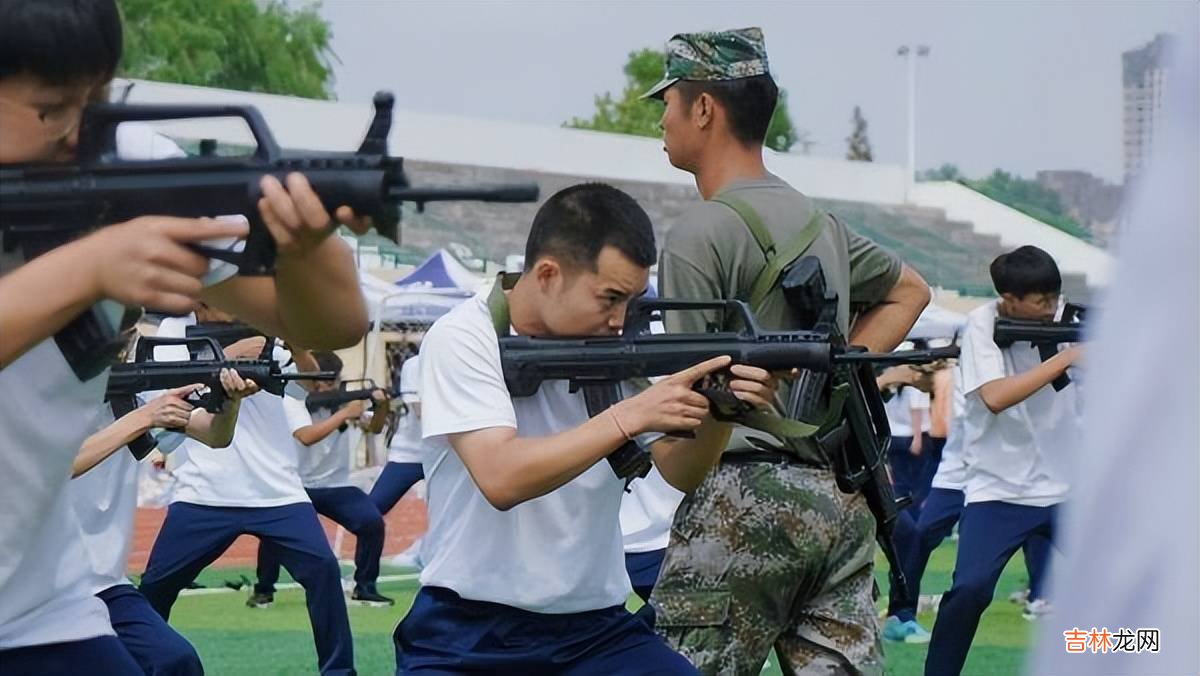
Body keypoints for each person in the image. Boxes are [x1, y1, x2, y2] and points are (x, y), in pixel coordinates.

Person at [0, 1, 366, 669]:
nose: (81, 130)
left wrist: (309, 246)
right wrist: (85, 268)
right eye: (51, 108)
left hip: (40, 606)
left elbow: (331, 325)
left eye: (99, 96)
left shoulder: (124, 158)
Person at [393, 183, 778, 674]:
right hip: (468, 632)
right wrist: (627, 416)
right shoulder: (464, 336)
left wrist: (722, 411)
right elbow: (501, 477)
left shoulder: (622, 345)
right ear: (549, 274)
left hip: (595, 630)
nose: (620, 321)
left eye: (632, 301)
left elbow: (679, 472)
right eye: (610, 298)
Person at [642, 27, 930, 674]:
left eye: (668, 101)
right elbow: (910, 290)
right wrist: (834, 381)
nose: (660, 118)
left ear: (705, 109)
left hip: (738, 498)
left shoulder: (699, 233)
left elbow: (688, 421)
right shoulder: (819, 224)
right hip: (835, 498)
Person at [138, 323, 356, 676]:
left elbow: (310, 384)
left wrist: (295, 344)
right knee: (155, 587)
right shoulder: (175, 329)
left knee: (324, 571)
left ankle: (339, 672)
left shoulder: (268, 331)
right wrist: (231, 357)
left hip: (278, 491)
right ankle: (136, 665)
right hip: (204, 490)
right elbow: (169, 395)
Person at [924, 246, 1082, 675]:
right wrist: (1066, 358)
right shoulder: (983, 323)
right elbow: (994, 396)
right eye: (1040, 302)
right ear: (1008, 299)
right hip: (998, 488)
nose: (1051, 309)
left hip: (1071, 486)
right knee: (970, 591)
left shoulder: (1074, 319)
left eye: (1054, 297)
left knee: (1123, 590)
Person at [69, 368, 258, 676]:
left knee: (176, 660)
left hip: (105, 585)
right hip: (34, 592)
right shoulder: (39, 400)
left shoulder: (131, 399)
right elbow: (62, 465)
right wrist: (145, 417)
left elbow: (215, 435)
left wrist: (229, 402)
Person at [251, 350, 394, 607]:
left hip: (335, 486)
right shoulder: (294, 401)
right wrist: (344, 414)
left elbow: (374, 428)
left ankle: (365, 586)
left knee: (371, 523)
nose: (322, 388)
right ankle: (263, 589)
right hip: (295, 484)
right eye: (318, 382)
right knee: (272, 533)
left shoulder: (343, 402)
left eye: (329, 383)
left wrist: (381, 406)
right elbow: (306, 437)